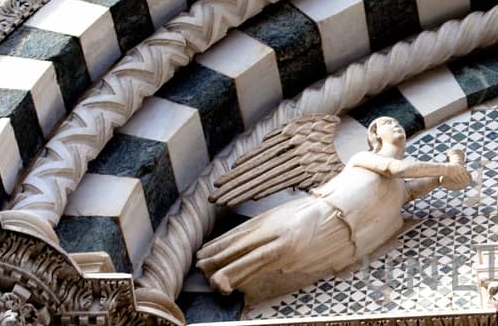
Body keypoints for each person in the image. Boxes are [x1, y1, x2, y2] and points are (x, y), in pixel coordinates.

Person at [197, 116, 470, 302]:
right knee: (286, 242)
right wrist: (446, 168)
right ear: (375, 134)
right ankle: (227, 271)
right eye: (388, 122)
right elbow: (395, 168)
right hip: (326, 210)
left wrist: (444, 177)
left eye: (397, 123)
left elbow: (412, 188)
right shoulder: (367, 158)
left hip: (345, 236)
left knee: (294, 260)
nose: (396, 126)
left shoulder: (400, 189)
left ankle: (241, 275)